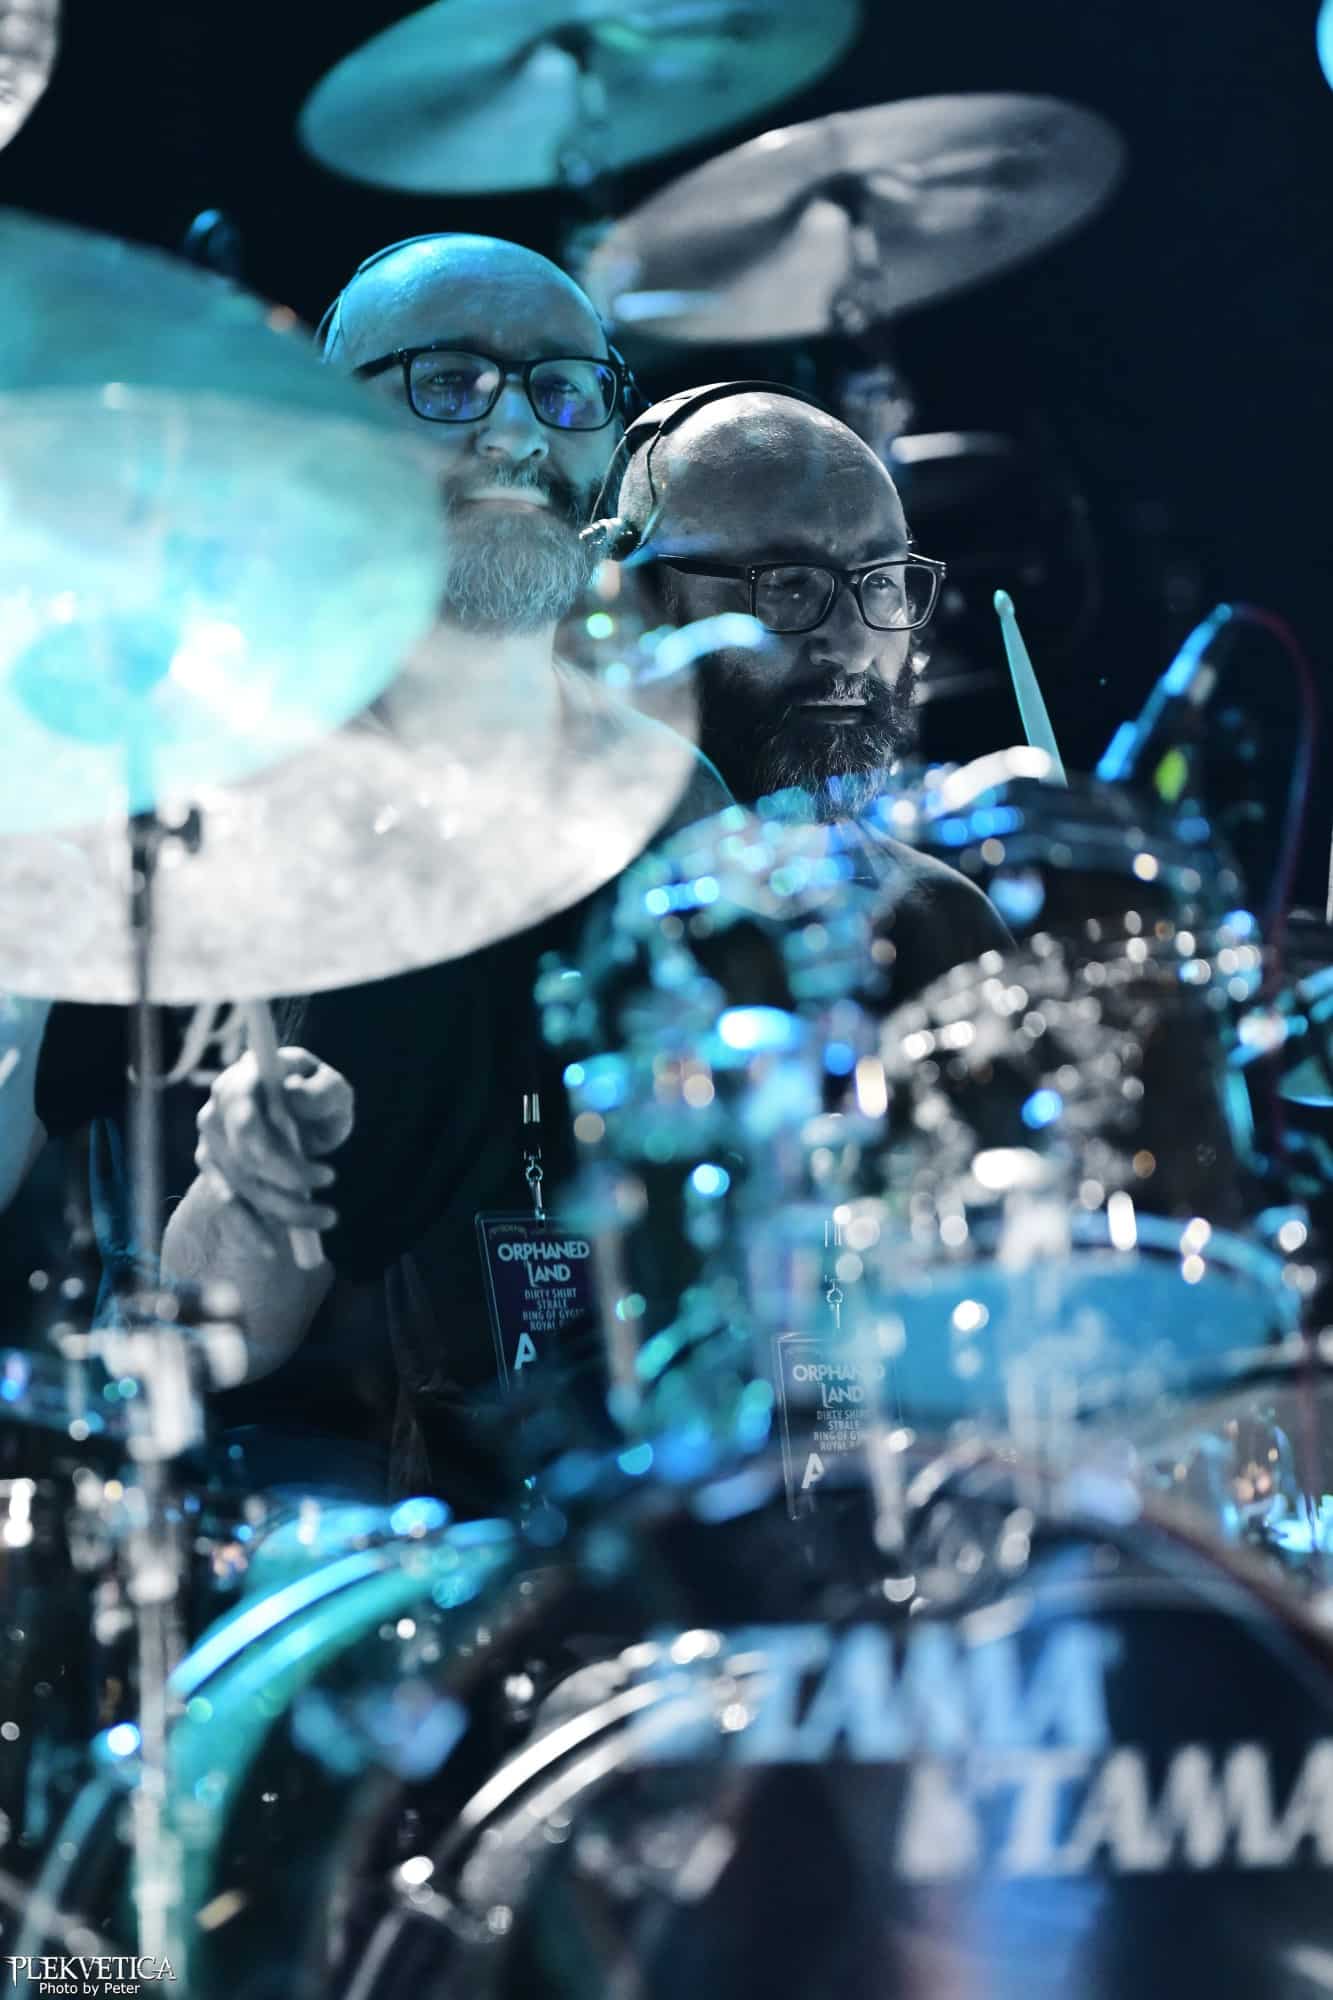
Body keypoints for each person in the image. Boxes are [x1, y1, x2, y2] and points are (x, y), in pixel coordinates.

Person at [159, 235, 730, 1506]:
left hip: (638, 1517)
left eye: (564, 389)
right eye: (450, 382)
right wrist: (252, 1186)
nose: (518, 432)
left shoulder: (675, 796)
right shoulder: (205, 799)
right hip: (340, 1550)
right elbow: (199, 1336)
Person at [611, 387, 1011, 987]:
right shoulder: (545, 889)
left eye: (882, 581)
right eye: (788, 584)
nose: (854, 647)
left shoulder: (944, 924)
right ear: (640, 601)